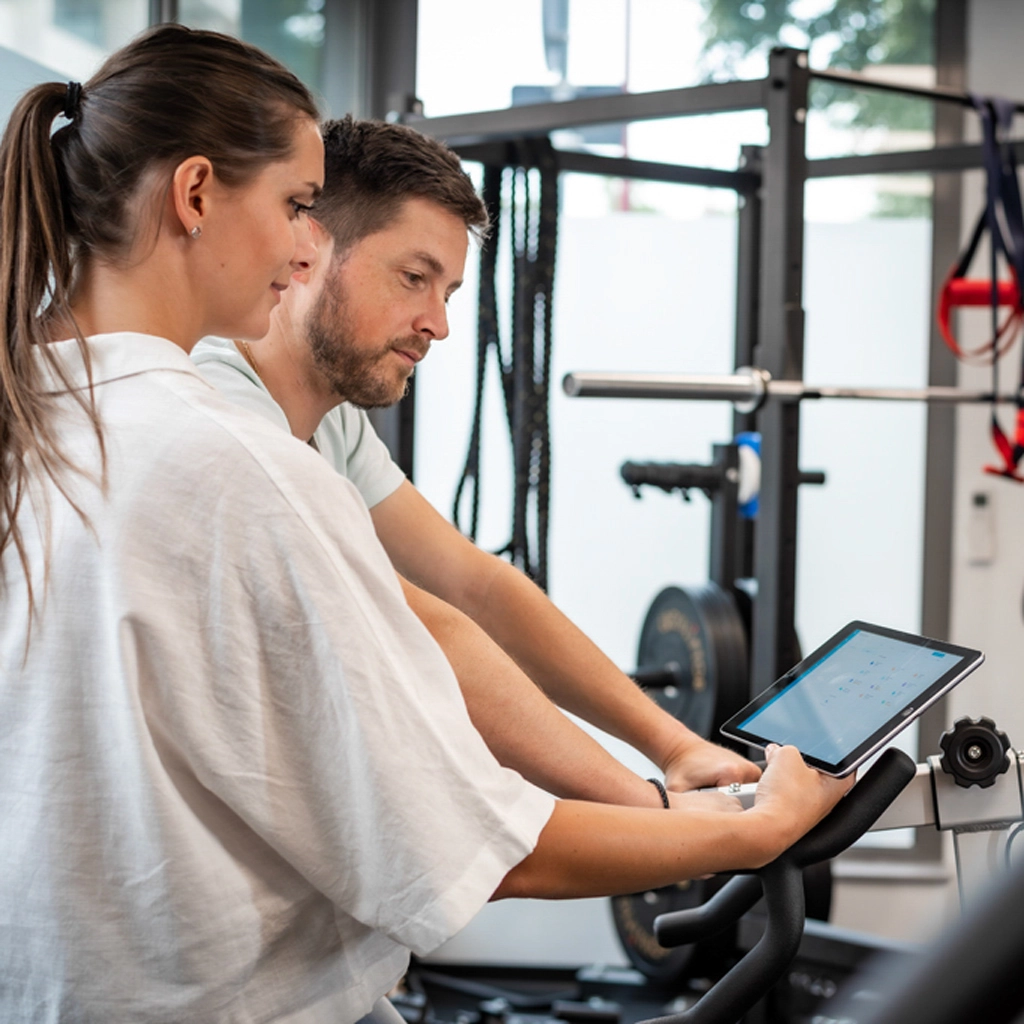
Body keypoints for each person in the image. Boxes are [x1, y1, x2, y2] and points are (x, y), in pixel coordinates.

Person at [0, 26, 851, 1024]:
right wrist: (741, 830)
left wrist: (665, 760)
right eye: (293, 205)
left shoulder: (43, 412)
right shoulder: (235, 462)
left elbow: (464, 596)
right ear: (195, 195)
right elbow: (476, 841)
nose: (299, 242)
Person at [192, 116, 759, 808]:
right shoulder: (220, 412)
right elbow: (427, 632)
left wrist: (675, 747)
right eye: (413, 278)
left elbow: (476, 586)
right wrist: (654, 809)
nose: (440, 323)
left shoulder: (327, 418)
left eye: (449, 293)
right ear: (308, 250)